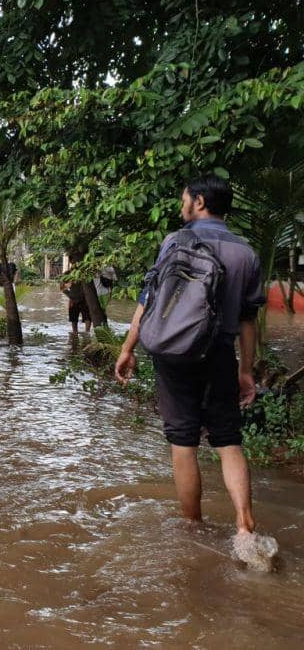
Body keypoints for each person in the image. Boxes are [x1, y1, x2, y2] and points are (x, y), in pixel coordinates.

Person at [115, 173, 266, 536]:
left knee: (183, 442)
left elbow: (149, 300)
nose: (182, 205)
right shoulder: (246, 253)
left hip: (174, 353)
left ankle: (193, 526)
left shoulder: (174, 242)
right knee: (228, 441)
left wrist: (127, 348)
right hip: (218, 354)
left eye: (185, 199)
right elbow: (248, 320)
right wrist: (245, 370)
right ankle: (244, 523)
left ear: (199, 202)